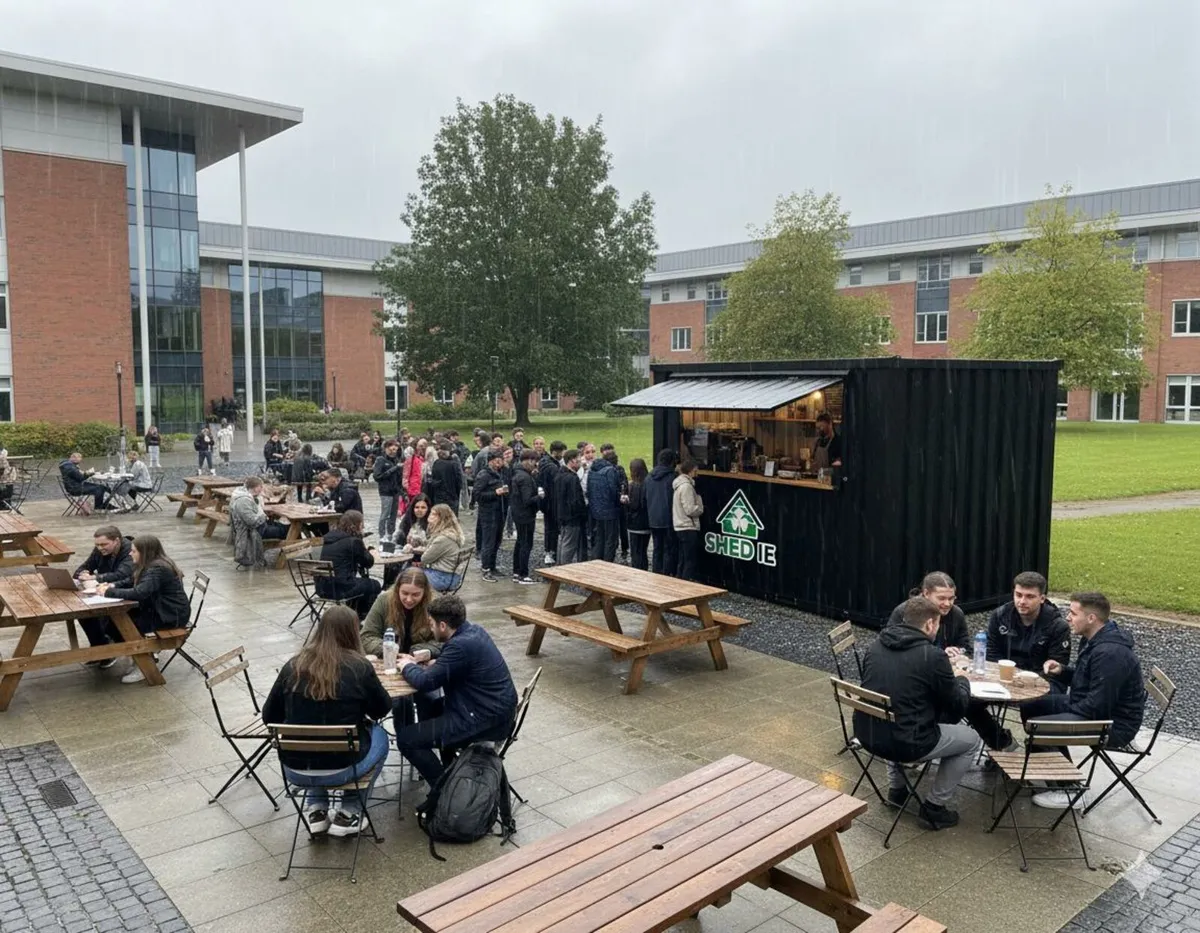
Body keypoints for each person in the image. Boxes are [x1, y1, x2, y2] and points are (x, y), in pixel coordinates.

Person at [262, 605, 391, 838]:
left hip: (295, 768)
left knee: (316, 740)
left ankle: (317, 809)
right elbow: (381, 710)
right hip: (343, 767)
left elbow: (269, 716)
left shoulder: (293, 665)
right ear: (352, 632)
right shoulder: (359, 667)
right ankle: (350, 811)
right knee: (381, 735)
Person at [855, 596, 979, 829]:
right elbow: (957, 707)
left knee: (893, 714)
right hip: (908, 743)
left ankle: (897, 790)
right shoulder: (932, 656)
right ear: (930, 624)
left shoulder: (875, 646)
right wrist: (963, 680)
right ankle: (934, 807)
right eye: (938, 624)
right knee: (971, 740)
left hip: (867, 733)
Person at [1020, 592, 1146, 810]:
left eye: (1073, 613)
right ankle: (1052, 771)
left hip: (1114, 725)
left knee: (1040, 726)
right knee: (1032, 705)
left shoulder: (1110, 653)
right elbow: (1088, 681)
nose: (1068, 618)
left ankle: (1071, 790)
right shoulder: (1094, 640)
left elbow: (1098, 705)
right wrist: (1062, 671)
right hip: (1095, 709)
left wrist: (1063, 711)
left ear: (1091, 618)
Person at [393, 595, 518, 790]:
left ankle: (443, 791)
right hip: (492, 709)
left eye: (432, 624)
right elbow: (455, 660)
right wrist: (432, 656)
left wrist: (407, 665)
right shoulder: (473, 631)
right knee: (431, 706)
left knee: (406, 739)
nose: (431, 628)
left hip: (484, 720)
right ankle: (449, 766)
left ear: (443, 626)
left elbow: (425, 682)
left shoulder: (460, 645)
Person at [96, 535, 190, 684]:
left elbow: (139, 593)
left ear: (145, 552)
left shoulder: (157, 569)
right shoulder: (149, 564)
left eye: (134, 551)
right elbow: (131, 581)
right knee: (111, 620)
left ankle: (144, 662)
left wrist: (108, 592)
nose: (130, 553)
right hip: (159, 609)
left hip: (168, 616)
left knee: (120, 624)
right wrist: (111, 585)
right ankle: (138, 657)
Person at [987, 572, 1072, 674]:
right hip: (1004, 674)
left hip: (1040, 677)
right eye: (1018, 595)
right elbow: (991, 654)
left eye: (1030, 596)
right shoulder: (1000, 616)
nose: (1022, 601)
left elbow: (1057, 668)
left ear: (1042, 599)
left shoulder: (1057, 626)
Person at [74, 525, 135, 663]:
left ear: (117, 541)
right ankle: (101, 649)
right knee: (83, 613)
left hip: (126, 592)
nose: (100, 548)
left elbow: (122, 575)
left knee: (103, 616)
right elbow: (85, 566)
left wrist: (95, 578)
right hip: (106, 591)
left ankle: (108, 650)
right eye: (97, 545)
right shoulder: (100, 550)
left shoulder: (130, 551)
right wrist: (82, 573)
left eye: (104, 544)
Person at [317, 510, 381, 619]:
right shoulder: (353, 541)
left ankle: (353, 612)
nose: (363, 527)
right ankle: (361, 616)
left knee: (361, 583)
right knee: (374, 585)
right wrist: (370, 551)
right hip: (341, 589)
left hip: (321, 587)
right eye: (362, 524)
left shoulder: (328, 537)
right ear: (357, 525)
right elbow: (368, 562)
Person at [886, 572, 970, 655]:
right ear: (926, 593)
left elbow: (966, 647)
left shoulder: (956, 613)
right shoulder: (904, 612)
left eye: (951, 598)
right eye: (941, 598)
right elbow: (890, 646)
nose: (947, 604)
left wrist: (957, 651)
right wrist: (939, 654)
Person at [228, 476, 289, 569]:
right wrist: (263, 516)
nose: (262, 489)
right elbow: (252, 521)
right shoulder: (243, 501)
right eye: (261, 487)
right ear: (256, 488)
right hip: (252, 532)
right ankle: (293, 549)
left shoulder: (249, 497)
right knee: (285, 530)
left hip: (258, 527)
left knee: (283, 525)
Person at [473, 448, 507, 582]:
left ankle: (492, 566)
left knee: (497, 540)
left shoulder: (499, 473)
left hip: (499, 511)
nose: (500, 464)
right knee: (488, 541)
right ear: (491, 461)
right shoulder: (484, 475)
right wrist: (495, 493)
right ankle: (486, 568)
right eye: (497, 461)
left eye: (501, 461)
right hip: (488, 513)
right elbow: (477, 494)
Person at [419, 505, 467, 591]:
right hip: (450, 576)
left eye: (434, 514)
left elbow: (425, 559)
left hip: (443, 578)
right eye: (430, 513)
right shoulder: (449, 533)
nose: (430, 516)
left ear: (442, 518)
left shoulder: (443, 538)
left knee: (408, 574)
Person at [646, 449, 679, 575]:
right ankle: (666, 574)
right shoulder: (673, 478)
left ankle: (656, 572)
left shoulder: (649, 477)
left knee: (657, 548)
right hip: (668, 519)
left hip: (653, 518)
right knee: (668, 549)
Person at [509, 450, 540, 584]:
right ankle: (523, 574)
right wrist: (539, 496)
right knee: (526, 544)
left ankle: (516, 572)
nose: (535, 464)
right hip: (526, 515)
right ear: (527, 460)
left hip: (518, 513)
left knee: (520, 542)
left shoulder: (517, 473)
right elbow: (527, 500)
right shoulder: (525, 478)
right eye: (534, 461)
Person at [587, 448, 622, 562]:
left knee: (599, 537)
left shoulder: (592, 470)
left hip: (596, 510)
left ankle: (596, 560)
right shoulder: (610, 471)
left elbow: (589, 490)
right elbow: (613, 490)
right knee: (610, 539)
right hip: (610, 510)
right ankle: (607, 563)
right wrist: (619, 500)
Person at [671, 459, 704, 580]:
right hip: (687, 526)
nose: (697, 473)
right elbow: (690, 510)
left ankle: (680, 581)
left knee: (683, 559)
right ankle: (685, 584)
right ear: (690, 471)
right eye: (695, 471)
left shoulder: (679, 484)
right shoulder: (687, 487)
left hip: (680, 525)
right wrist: (700, 506)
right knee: (689, 560)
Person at [555, 448, 588, 565]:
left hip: (562, 515)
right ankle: (564, 570)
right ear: (572, 460)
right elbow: (575, 501)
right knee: (569, 546)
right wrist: (582, 513)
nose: (581, 462)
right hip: (572, 518)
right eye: (579, 459)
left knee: (563, 542)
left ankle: (559, 568)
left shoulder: (559, 475)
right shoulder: (572, 478)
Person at [538, 440, 565, 566]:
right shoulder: (552, 467)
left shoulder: (545, 462)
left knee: (549, 528)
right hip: (552, 502)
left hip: (547, 501)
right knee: (552, 529)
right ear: (555, 452)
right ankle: (550, 552)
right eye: (562, 452)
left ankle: (549, 551)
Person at [372, 439, 405, 543]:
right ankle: (382, 535)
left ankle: (391, 534)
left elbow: (399, 478)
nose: (393, 452)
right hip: (385, 491)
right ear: (386, 448)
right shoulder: (380, 460)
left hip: (395, 491)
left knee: (393, 515)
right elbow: (377, 476)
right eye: (391, 449)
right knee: (385, 514)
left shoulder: (397, 460)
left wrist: (402, 491)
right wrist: (394, 469)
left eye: (395, 450)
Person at [601, 445, 630, 558]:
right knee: (620, 526)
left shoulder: (612, 471)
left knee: (619, 526)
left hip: (613, 503)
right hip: (617, 502)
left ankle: (621, 547)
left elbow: (624, 483)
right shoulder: (616, 470)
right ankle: (622, 548)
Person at [625, 458, 651, 571]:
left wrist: (626, 503)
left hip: (635, 524)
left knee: (636, 552)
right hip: (646, 523)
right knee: (643, 551)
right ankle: (644, 570)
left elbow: (634, 506)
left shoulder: (634, 486)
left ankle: (637, 572)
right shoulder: (649, 484)